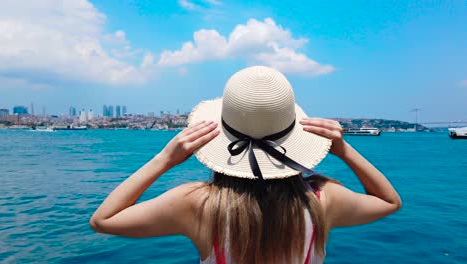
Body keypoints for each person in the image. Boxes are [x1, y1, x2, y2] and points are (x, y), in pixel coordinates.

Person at [90, 66, 402, 264]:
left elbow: (104, 220)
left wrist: (164, 160)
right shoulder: (322, 201)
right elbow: (389, 202)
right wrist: (345, 151)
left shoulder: (198, 205)